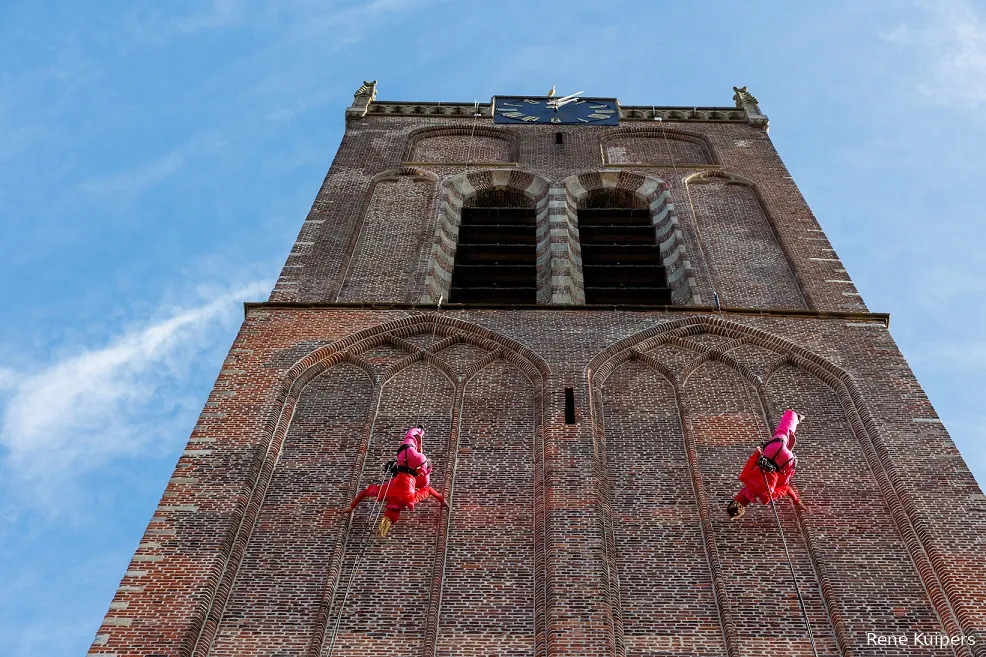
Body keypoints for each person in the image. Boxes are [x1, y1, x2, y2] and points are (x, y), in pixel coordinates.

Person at [345, 426, 448, 537]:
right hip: (404, 455)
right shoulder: (385, 494)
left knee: (425, 483)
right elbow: (365, 492)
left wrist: (442, 501)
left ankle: (420, 452)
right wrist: (351, 507)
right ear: (388, 508)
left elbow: (429, 490)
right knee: (410, 436)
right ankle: (419, 430)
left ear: (399, 512)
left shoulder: (410, 501)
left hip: (420, 464)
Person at [727, 410, 806, 519]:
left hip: (787, 462)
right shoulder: (745, 478)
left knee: (784, 482)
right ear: (736, 497)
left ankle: (788, 452)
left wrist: (797, 502)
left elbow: (787, 489)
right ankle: (794, 416)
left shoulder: (766, 497)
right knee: (783, 432)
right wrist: (760, 452)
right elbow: (756, 455)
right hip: (773, 450)